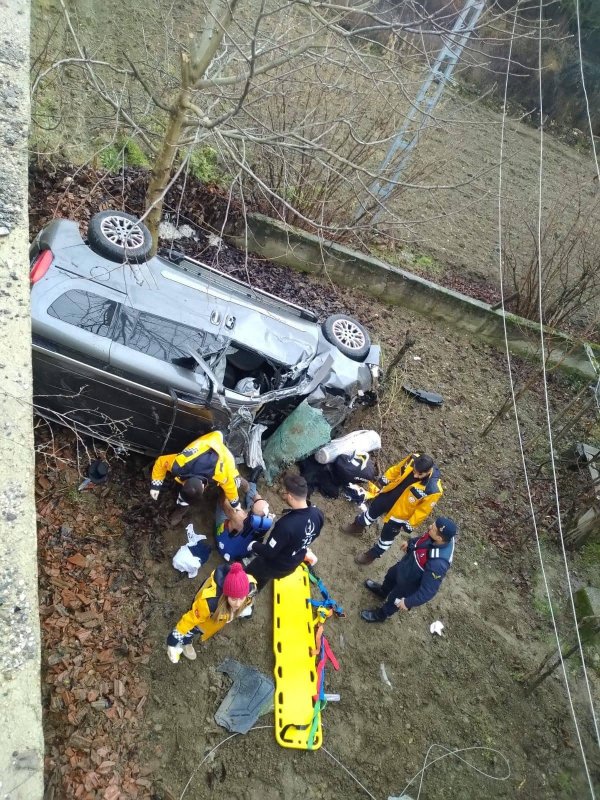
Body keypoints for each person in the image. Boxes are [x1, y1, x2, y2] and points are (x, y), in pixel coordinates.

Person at [344, 452, 443, 565]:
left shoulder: (433, 489)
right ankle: (358, 526)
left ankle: (372, 555)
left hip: (401, 514)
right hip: (389, 495)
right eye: (414, 471)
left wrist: (411, 524)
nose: (415, 476)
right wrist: (385, 479)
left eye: (419, 475)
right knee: (372, 511)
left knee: (387, 535)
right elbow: (397, 469)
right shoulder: (412, 458)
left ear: (428, 471)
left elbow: (423, 511)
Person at [360, 517, 457, 623]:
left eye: (433, 529)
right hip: (406, 565)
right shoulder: (437, 535)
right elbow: (423, 539)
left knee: (394, 601)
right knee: (390, 576)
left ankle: (381, 615)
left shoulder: (438, 563)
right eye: (432, 525)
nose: (429, 527)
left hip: (410, 583)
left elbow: (428, 591)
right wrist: (411, 543)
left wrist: (408, 602)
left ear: (439, 538)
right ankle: (383, 591)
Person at [149, 430, 247, 527]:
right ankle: (179, 512)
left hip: (224, 454)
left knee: (235, 480)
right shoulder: (180, 463)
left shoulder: (222, 475)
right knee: (188, 497)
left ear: (204, 488)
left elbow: (230, 487)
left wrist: (235, 503)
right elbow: (161, 462)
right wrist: (155, 485)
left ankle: (245, 485)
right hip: (207, 443)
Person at [246, 471, 324, 592]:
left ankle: (247, 597)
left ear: (291, 497)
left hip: (276, 565)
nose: (283, 493)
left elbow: (269, 552)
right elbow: (315, 534)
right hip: (295, 560)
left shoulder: (286, 525)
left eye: (285, 492)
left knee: (252, 576)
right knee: (265, 576)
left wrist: (253, 545)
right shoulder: (318, 514)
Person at [167, 562, 257, 663]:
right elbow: (190, 620)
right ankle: (185, 641)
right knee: (195, 629)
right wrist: (173, 639)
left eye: (241, 598)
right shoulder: (209, 604)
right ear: (226, 595)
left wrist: (247, 607)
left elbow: (248, 599)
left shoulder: (249, 587)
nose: (237, 604)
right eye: (233, 599)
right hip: (204, 615)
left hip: (221, 615)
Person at [216, 482, 275, 562]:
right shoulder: (267, 523)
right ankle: (252, 484)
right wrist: (258, 500)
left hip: (224, 544)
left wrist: (227, 489)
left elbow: (223, 502)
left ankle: (250, 485)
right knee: (254, 499)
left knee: (222, 499)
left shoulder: (239, 516)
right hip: (241, 553)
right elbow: (259, 508)